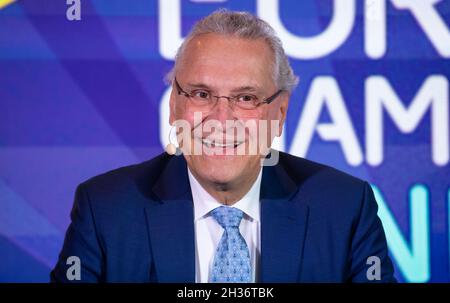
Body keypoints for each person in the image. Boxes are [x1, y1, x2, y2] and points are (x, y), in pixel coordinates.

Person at [51, 9, 396, 283]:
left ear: (279, 112)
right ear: (174, 105)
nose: (221, 118)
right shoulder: (106, 210)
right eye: (202, 94)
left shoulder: (344, 208)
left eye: (246, 98)